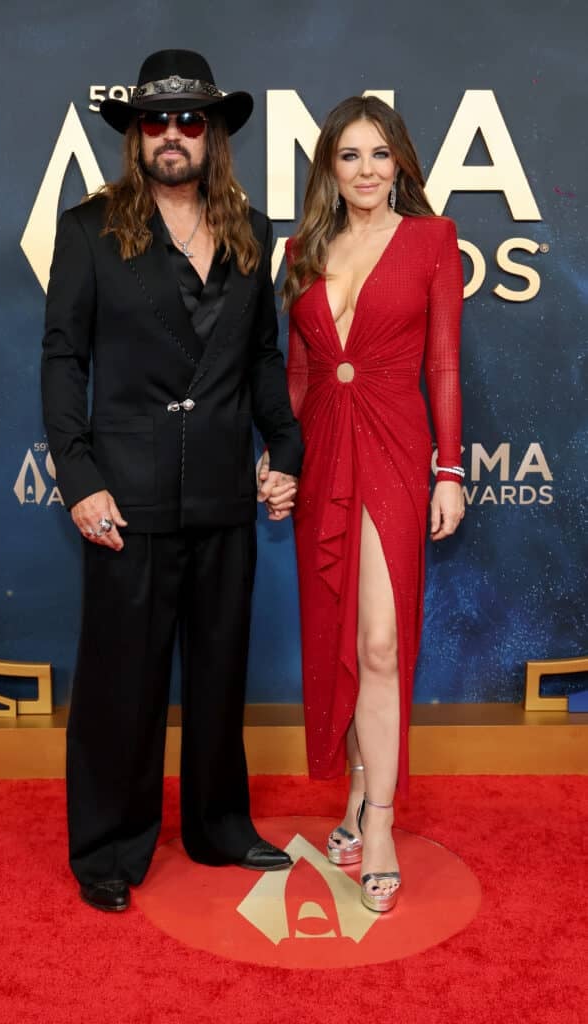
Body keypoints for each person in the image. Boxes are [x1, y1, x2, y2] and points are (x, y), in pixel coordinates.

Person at [41, 49, 302, 912]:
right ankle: (109, 850)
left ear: (214, 133)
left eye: (192, 120)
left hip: (224, 489)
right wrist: (78, 476)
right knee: (123, 683)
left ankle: (221, 825)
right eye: (158, 120)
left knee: (221, 672)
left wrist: (285, 450)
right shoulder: (88, 229)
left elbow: (263, 357)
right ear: (135, 135)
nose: (174, 135)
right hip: (127, 493)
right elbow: (62, 359)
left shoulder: (252, 231)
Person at [280, 95, 465, 913]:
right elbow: (295, 375)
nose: (364, 171)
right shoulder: (301, 249)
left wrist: (449, 470)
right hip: (322, 447)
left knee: (383, 641)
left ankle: (380, 822)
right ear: (329, 166)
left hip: (392, 439)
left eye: (379, 155)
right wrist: (280, 461)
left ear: (401, 164)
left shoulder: (431, 240)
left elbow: (445, 367)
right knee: (343, 637)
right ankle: (357, 793)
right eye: (349, 155)